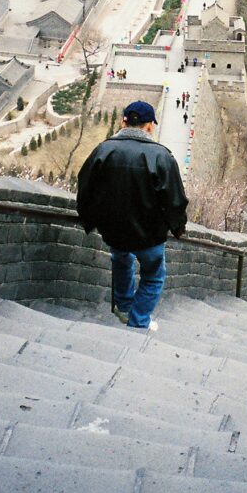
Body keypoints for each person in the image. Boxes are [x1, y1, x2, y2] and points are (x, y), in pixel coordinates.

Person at [77, 100, 188, 330]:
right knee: (154, 275)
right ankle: (138, 323)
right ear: (149, 127)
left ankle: (124, 308)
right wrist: (178, 227)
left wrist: (89, 220)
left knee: (121, 260)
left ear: (123, 122)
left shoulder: (103, 150)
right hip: (149, 235)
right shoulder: (161, 156)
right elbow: (175, 200)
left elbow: (85, 187)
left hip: (115, 231)